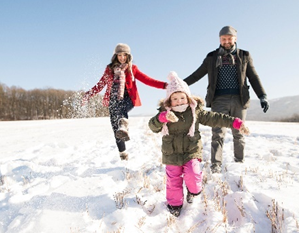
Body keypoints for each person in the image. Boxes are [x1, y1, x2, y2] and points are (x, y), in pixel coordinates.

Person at [148, 71, 249, 217]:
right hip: (172, 153)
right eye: (175, 98)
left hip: (191, 151)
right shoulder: (165, 113)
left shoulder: (195, 112)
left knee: (193, 175)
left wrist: (235, 122)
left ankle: (193, 191)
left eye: (182, 97)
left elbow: (215, 118)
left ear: (188, 98)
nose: (179, 101)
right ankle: (174, 205)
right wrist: (162, 118)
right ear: (169, 101)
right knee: (173, 181)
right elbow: (152, 126)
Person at [183, 26, 269, 173]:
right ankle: (216, 165)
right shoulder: (211, 57)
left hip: (239, 99)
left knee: (239, 132)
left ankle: (239, 163)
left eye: (229, 38)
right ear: (220, 40)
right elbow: (197, 75)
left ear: (235, 39)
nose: (227, 41)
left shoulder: (244, 55)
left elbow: (253, 77)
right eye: (224, 39)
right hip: (218, 100)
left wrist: (262, 95)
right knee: (218, 132)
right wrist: (180, 84)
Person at [82, 43, 167, 161]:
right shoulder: (109, 69)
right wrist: (88, 94)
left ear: (128, 56)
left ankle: (123, 125)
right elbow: (101, 84)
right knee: (116, 128)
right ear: (115, 56)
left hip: (128, 99)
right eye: (119, 55)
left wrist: (164, 85)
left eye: (124, 55)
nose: (122, 58)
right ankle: (122, 153)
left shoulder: (132, 69)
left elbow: (147, 80)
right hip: (113, 99)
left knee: (121, 111)